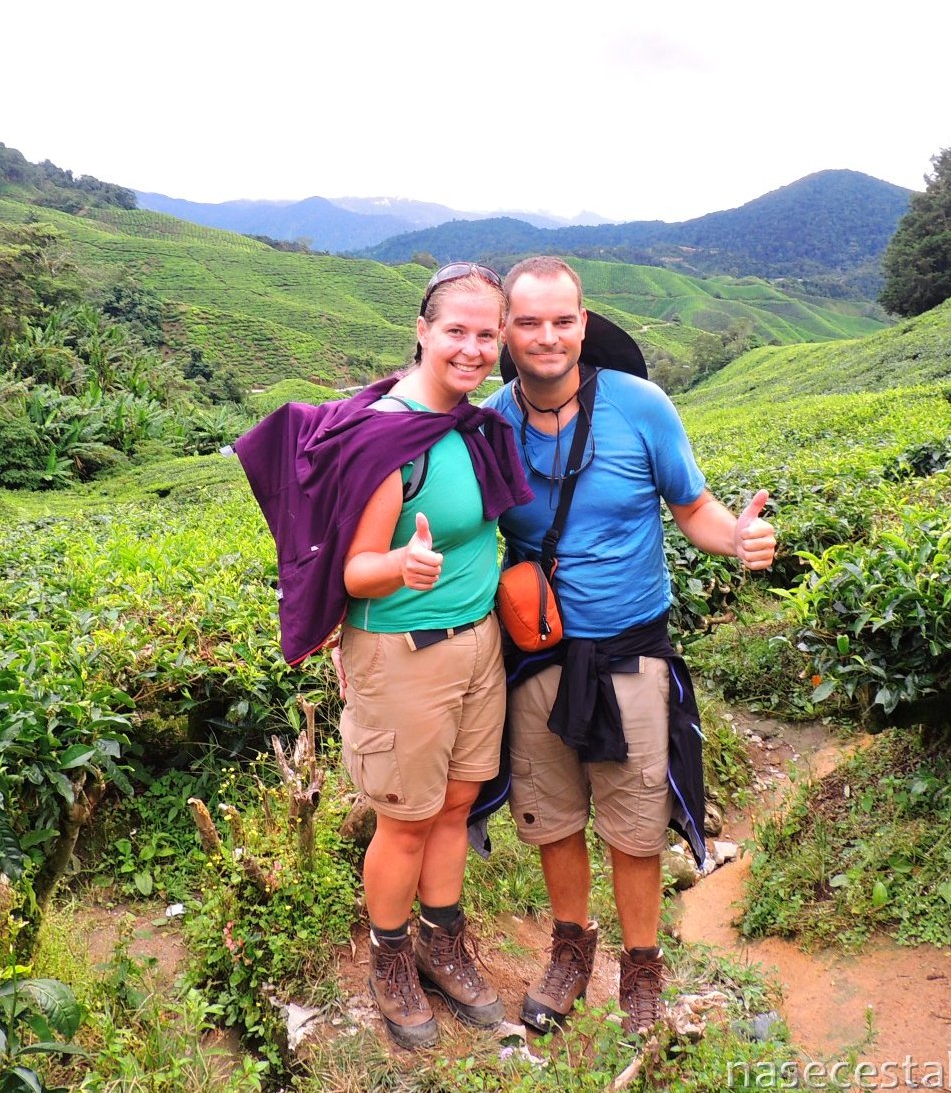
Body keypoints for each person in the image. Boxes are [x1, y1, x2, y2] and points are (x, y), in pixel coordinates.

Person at [234, 262, 531, 1051]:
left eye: (486, 334)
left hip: (477, 646)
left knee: (457, 807)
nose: (471, 348)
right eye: (456, 332)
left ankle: (442, 942)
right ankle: (390, 960)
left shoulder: (470, 423)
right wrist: (402, 567)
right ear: (424, 331)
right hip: (404, 656)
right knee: (404, 820)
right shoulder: (393, 440)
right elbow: (353, 569)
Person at [480, 255, 776, 1036]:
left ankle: (642, 970)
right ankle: (571, 949)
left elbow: (695, 507)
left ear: (585, 323)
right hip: (536, 656)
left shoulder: (642, 407)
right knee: (551, 816)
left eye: (563, 320)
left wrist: (736, 538)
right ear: (506, 330)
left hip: (631, 652)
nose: (548, 336)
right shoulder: (489, 424)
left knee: (637, 820)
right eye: (530, 321)